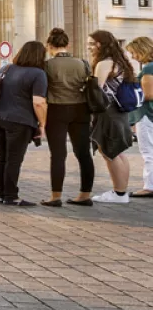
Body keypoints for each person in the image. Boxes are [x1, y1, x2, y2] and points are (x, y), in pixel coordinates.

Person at [0, 41, 48, 207]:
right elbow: (39, 102)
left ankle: (2, 194)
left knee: (3, 157)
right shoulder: (38, 73)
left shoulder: (4, 69)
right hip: (19, 120)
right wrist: (42, 124)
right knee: (14, 159)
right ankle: (11, 196)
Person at [42, 28, 94, 207]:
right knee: (83, 153)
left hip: (56, 110)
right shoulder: (83, 63)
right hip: (81, 110)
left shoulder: (47, 65)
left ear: (49, 46)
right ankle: (85, 195)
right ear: (67, 44)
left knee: (58, 154)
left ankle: (55, 196)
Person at [88, 30, 136, 204]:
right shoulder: (120, 62)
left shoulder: (104, 63)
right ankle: (121, 192)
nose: (89, 47)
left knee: (109, 151)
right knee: (119, 152)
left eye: (92, 43)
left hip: (108, 112)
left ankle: (119, 193)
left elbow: (96, 90)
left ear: (101, 44)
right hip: (119, 111)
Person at [125, 36, 153, 199]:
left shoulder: (148, 68)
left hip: (146, 114)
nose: (133, 56)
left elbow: (148, 94)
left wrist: (131, 93)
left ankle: (149, 186)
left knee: (148, 150)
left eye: (134, 52)